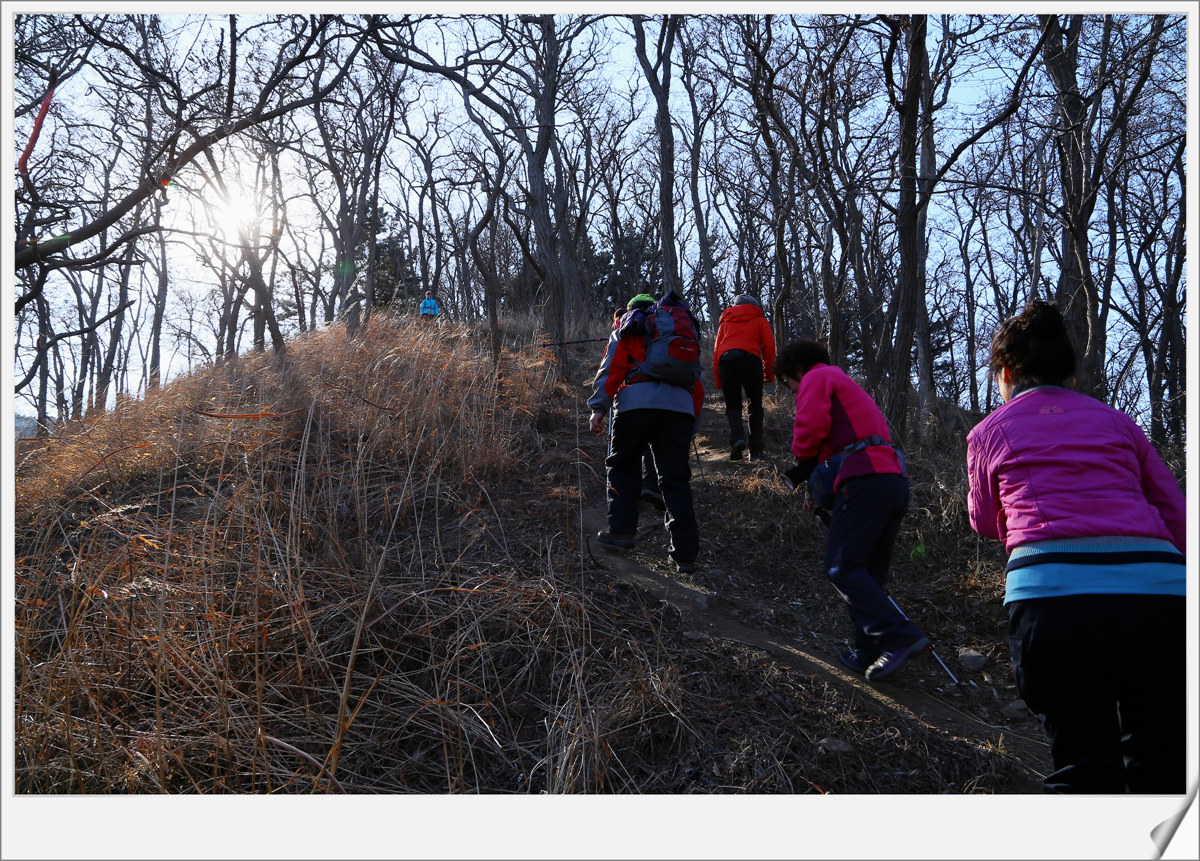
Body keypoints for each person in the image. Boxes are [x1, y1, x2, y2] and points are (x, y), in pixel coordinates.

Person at [967, 299, 1186, 794]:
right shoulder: (1118, 422)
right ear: (1069, 372)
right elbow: (1174, 510)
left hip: (1054, 597)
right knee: (1163, 757)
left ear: (1004, 372)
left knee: (1082, 762)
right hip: (1158, 593)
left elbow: (982, 521)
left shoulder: (989, 431)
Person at [775, 337, 927, 681]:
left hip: (863, 481)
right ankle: (869, 651)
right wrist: (816, 483)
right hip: (890, 481)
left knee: (841, 567)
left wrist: (801, 462)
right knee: (868, 574)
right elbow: (838, 443)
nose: (791, 390)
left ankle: (901, 636)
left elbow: (810, 430)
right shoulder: (846, 385)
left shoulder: (817, 377)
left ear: (796, 370)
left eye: (787, 383)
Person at [588, 291, 703, 573]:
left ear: (630, 310)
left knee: (623, 465)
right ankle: (685, 555)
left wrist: (599, 407)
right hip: (680, 408)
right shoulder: (679, 330)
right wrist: (691, 422)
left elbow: (611, 367)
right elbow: (696, 385)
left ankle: (622, 532)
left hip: (636, 403)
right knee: (675, 479)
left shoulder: (630, 324)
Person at [713, 294, 776, 460]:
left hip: (727, 361)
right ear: (754, 306)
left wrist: (718, 379)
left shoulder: (725, 321)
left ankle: (737, 441)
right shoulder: (760, 320)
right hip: (750, 360)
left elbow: (716, 351)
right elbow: (769, 347)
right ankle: (756, 450)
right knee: (754, 406)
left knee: (732, 406)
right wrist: (768, 374)